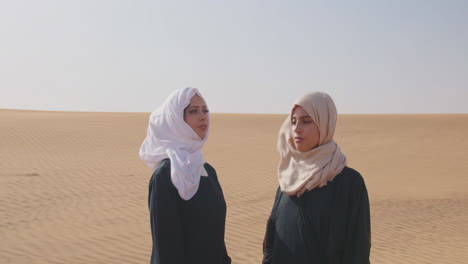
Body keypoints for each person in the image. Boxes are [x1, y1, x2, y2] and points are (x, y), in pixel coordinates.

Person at [262, 92, 371, 264]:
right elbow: (271, 244)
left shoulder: (349, 184)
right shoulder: (288, 181)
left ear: (324, 123)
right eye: (293, 122)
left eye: (306, 121)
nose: (297, 129)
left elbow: (357, 252)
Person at [139, 87, 231, 264]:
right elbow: (165, 248)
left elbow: (217, 237)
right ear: (175, 119)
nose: (203, 116)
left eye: (205, 110)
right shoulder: (164, 176)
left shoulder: (208, 171)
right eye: (193, 111)